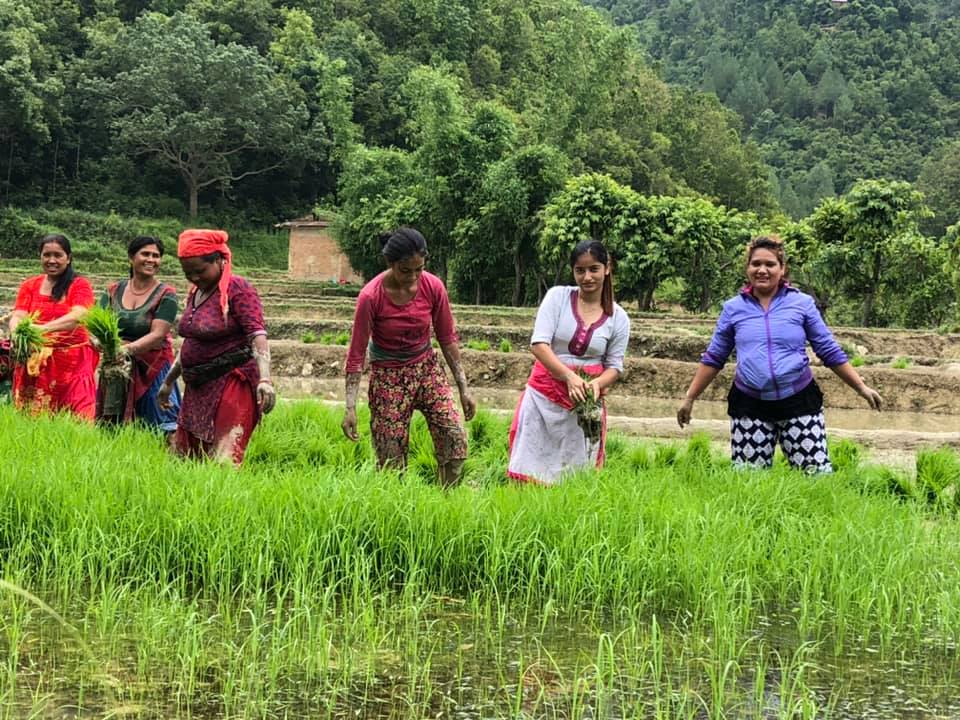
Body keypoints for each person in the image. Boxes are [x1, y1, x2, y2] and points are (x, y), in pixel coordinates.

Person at [676, 235, 883, 473]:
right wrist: (690, 398)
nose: (762, 270)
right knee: (749, 480)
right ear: (747, 268)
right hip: (749, 404)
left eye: (770, 264)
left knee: (816, 476)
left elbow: (828, 349)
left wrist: (861, 388)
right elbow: (714, 357)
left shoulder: (802, 303)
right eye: (756, 264)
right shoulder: (733, 308)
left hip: (799, 401)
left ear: (782, 269)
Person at [341, 227, 476, 487]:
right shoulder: (370, 296)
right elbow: (356, 354)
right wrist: (350, 408)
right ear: (390, 263)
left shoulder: (433, 286)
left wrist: (464, 388)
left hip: (426, 369)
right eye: (405, 270)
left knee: (454, 436)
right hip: (388, 377)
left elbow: (447, 337)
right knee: (390, 456)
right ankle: (398, 504)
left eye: (419, 269)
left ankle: (446, 500)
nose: (413, 277)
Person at [507, 240, 631, 485]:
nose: (587, 277)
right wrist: (568, 376)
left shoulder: (618, 318)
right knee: (530, 465)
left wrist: (596, 385)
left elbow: (615, 366)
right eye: (580, 270)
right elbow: (539, 344)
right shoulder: (558, 298)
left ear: (607, 268)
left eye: (594, 269)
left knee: (575, 474)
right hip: (543, 396)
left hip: (584, 406)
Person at [157, 229, 276, 465]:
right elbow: (191, 343)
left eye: (200, 271)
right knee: (187, 459)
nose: (194, 277)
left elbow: (257, 333)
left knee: (224, 458)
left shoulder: (238, 288)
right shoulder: (196, 292)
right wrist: (169, 381)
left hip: (231, 382)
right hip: (198, 386)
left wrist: (265, 379)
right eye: (188, 273)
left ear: (220, 260)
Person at [95, 236, 181, 432]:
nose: (151, 259)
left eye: (156, 256)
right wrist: (99, 341)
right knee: (112, 426)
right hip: (116, 366)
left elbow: (158, 334)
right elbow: (99, 324)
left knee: (159, 425)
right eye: (145, 254)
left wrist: (125, 349)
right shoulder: (113, 291)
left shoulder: (166, 294)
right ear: (131, 257)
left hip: (152, 367)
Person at [8, 234, 97, 419]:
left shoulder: (79, 285)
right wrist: (16, 331)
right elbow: (18, 315)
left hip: (73, 363)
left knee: (77, 416)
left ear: (68, 258)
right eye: (46, 255)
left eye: (58, 255)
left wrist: (42, 329)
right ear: (40, 256)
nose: (52, 260)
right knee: (32, 418)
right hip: (36, 360)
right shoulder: (30, 285)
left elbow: (79, 315)